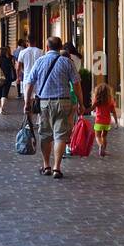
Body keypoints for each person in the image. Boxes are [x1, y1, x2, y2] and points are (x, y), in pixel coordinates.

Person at [27, 36, 78, 178]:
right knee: (60, 135)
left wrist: (27, 103)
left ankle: (46, 165)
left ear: (47, 47)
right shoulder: (67, 62)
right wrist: (81, 102)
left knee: (45, 134)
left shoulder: (39, 62)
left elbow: (29, 83)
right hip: (63, 102)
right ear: (60, 47)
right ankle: (57, 168)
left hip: (44, 102)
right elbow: (76, 84)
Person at [90, 82, 118, 158]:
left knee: (98, 136)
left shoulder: (97, 101)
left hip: (99, 121)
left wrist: (84, 110)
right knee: (104, 136)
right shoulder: (110, 101)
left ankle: (101, 145)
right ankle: (103, 151)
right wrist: (116, 123)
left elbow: (91, 109)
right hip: (107, 122)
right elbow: (114, 112)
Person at [16, 37, 43, 106]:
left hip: (27, 77)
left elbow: (18, 67)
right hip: (38, 78)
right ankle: (37, 113)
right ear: (35, 42)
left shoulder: (22, 52)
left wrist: (18, 77)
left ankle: (28, 113)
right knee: (37, 97)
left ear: (27, 42)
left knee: (28, 98)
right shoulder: (41, 51)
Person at [0, 45, 16, 115]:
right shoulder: (9, 59)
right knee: (4, 94)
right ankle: (2, 109)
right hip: (7, 78)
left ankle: (0, 109)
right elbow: (13, 68)